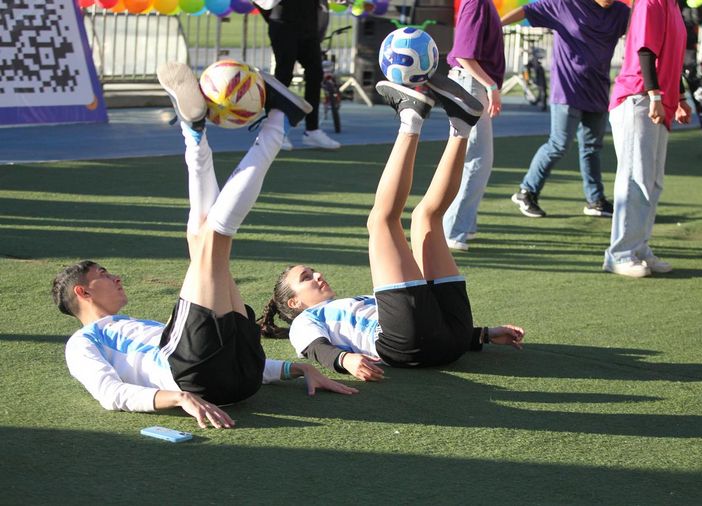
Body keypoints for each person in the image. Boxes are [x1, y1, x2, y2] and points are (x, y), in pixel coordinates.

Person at [52, 63, 356, 429]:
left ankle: (203, 129)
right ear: (82, 291)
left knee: (203, 235)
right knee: (209, 237)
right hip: (195, 376)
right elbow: (109, 393)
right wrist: (178, 397)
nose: (116, 277)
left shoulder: (136, 325)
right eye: (103, 275)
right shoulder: (83, 342)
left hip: (241, 374)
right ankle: (256, 124)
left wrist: (296, 368)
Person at [258, 75, 525, 381]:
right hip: (408, 347)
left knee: (427, 217)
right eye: (306, 277)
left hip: (451, 335)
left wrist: (483, 335)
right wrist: (344, 360)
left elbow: (422, 317)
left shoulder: (352, 303)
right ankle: (411, 117)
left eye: (312, 271)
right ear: (294, 303)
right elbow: (314, 349)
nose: (318, 275)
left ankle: (461, 126)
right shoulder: (306, 320)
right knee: (381, 221)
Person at [503, 0, 630, 219]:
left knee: (592, 147)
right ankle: (527, 191)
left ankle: (595, 200)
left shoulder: (620, 13)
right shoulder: (566, 4)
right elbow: (527, 10)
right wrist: (493, 26)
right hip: (566, 89)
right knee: (559, 144)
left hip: (598, 89)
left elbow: (641, 31)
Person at [604, 0, 692, 278]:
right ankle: (619, 254)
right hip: (638, 99)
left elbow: (672, 58)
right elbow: (645, 51)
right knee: (635, 178)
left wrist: (679, 97)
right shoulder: (650, 2)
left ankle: (639, 247)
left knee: (652, 181)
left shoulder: (673, 7)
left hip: (657, 101)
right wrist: (655, 95)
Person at [441, 0, 506, 251]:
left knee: (474, 158)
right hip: (471, 84)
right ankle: (452, 228)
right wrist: (491, 86)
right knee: (475, 159)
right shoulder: (477, 2)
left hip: (471, 84)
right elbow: (464, 55)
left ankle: (462, 224)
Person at [258, 0, 340, 151]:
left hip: (309, 26)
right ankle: (275, 131)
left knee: (315, 74)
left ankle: (312, 130)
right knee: (284, 76)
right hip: (283, 24)